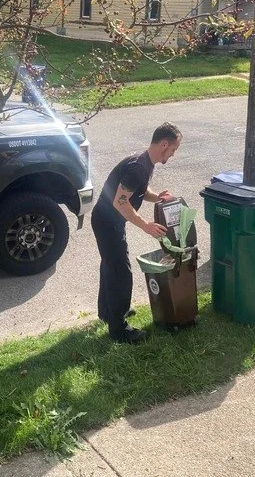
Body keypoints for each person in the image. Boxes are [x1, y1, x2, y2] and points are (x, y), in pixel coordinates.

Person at [91, 122, 182, 343]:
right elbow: (120, 202)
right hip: (108, 222)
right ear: (163, 144)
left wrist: (158, 197)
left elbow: (141, 190)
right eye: (173, 150)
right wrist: (146, 225)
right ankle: (119, 329)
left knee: (110, 266)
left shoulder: (144, 162)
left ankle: (107, 312)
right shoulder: (138, 167)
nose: (172, 155)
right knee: (121, 272)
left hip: (109, 221)